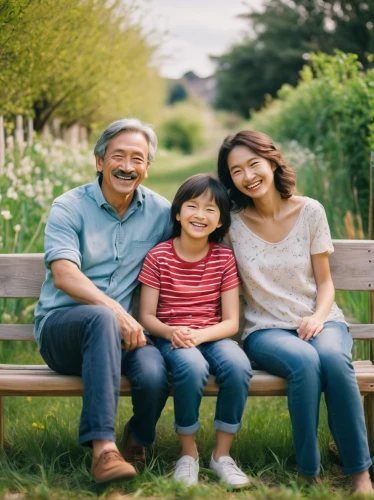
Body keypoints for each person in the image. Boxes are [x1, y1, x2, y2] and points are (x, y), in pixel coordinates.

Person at [217, 130, 373, 493]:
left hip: (322, 320)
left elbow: (325, 282)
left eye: (253, 164)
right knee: (304, 362)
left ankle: (360, 471)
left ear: (271, 162)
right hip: (265, 330)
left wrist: (319, 317)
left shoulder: (310, 211)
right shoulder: (233, 224)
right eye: (236, 171)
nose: (247, 176)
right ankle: (309, 471)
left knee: (334, 360)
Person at [33, 118, 172, 483]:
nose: (127, 167)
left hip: (124, 336)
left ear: (147, 168)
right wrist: (114, 310)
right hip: (63, 332)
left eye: (137, 159)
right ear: (99, 161)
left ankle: (135, 440)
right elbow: (64, 275)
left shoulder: (161, 213)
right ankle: (103, 451)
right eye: (118, 156)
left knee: (156, 374)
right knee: (102, 318)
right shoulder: (69, 206)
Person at [138, 174, 252, 488]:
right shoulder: (159, 256)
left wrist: (200, 335)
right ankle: (187, 455)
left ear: (220, 222)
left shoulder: (224, 258)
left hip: (212, 336)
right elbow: (146, 315)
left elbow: (230, 322)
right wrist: (173, 332)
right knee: (191, 366)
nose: (200, 215)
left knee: (239, 365)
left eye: (211, 210)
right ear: (177, 212)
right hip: (171, 338)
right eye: (192, 206)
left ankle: (221, 456)